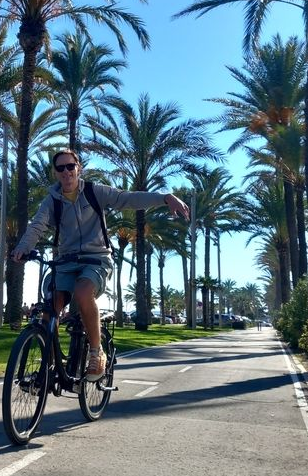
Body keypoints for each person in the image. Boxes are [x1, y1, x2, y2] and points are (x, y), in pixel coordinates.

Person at [11, 149, 189, 381]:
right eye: (61, 168)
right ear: (55, 173)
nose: (66, 172)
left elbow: (128, 198)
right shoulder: (51, 201)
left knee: (83, 292)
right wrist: (23, 247)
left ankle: (96, 352)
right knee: (50, 307)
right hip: (66, 261)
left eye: (70, 166)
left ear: (78, 167)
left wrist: (165, 197)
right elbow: (37, 226)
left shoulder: (95, 192)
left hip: (97, 259)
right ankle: (48, 366)